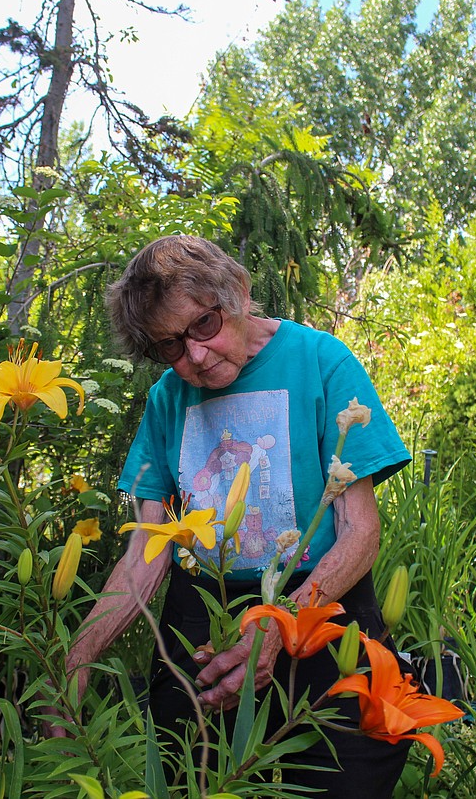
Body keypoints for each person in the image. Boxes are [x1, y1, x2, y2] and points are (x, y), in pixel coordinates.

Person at [59, 236, 413, 794]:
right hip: (205, 614)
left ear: (241, 294)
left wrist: (277, 624)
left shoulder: (322, 363)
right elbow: (146, 553)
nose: (193, 357)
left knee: (346, 775)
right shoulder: (166, 400)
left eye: (203, 325)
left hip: (319, 608)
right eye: (169, 347)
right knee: (188, 779)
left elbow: (359, 533)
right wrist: (77, 660)